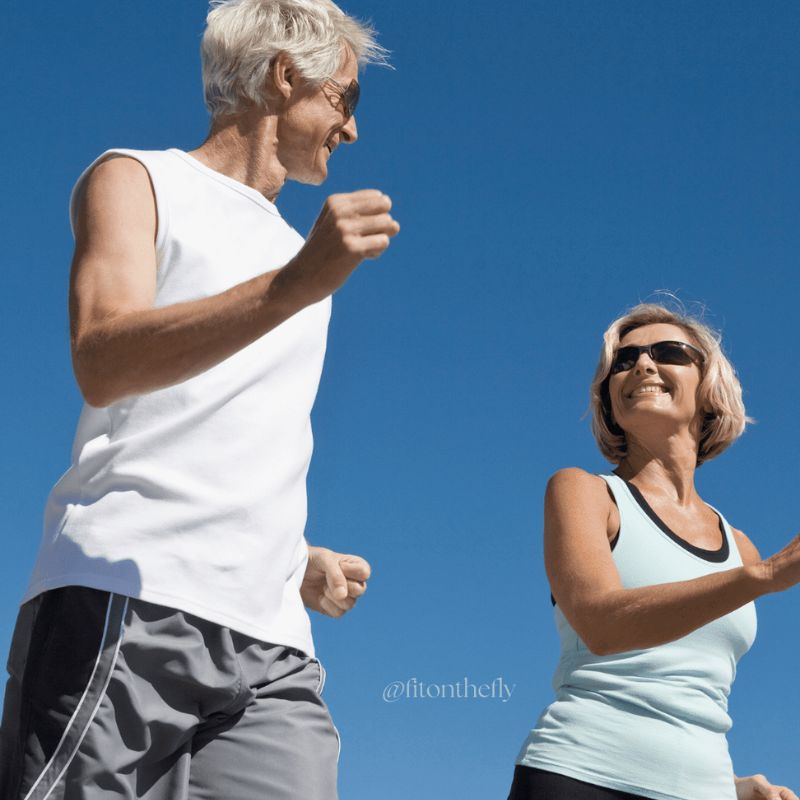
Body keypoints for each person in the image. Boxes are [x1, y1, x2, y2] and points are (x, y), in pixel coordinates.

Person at [0, 1, 399, 798]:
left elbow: (233, 428)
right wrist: (291, 288)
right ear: (286, 79)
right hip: (128, 599)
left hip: (276, 645)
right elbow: (102, 359)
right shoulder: (137, 178)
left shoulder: (300, 258)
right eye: (344, 99)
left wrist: (297, 559)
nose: (350, 130)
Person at [508, 303, 799, 800]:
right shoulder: (584, 493)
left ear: (709, 388)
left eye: (668, 353)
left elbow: (687, 694)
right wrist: (766, 576)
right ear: (609, 401)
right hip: (580, 777)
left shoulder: (740, 547)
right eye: (623, 361)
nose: (642, 365)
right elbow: (602, 625)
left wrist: (733, 787)